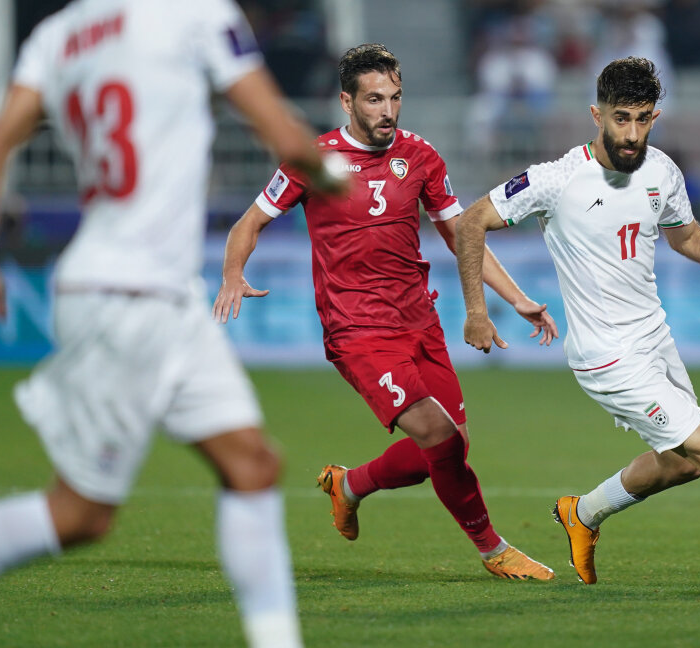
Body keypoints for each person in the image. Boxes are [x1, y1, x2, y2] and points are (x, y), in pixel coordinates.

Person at [0, 0, 346, 647]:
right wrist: (338, 178)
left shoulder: (60, 34)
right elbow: (287, 139)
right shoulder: (195, 4)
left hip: (148, 290)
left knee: (252, 465)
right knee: (81, 513)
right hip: (130, 293)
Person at [454, 56, 700, 590]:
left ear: (655, 116)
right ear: (596, 114)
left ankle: (583, 513)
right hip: (607, 356)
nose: (631, 133)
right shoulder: (557, 179)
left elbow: (684, 234)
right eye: (620, 118)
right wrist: (477, 310)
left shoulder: (662, 171)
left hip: (655, 340)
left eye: (643, 119)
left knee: (682, 463)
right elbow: (471, 222)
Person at [213, 43, 558, 581]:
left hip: (419, 320)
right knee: (438, 436)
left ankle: (348, 485)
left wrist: (515, 299)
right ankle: (494, 550)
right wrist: (233, 273)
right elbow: (249, 223)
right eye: (375, 99)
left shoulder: (420, 156)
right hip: (357, 330)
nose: (388, 111)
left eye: (395, 98)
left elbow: (461, 236)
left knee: (450, 447)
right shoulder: (313, 159)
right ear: (346, 101)